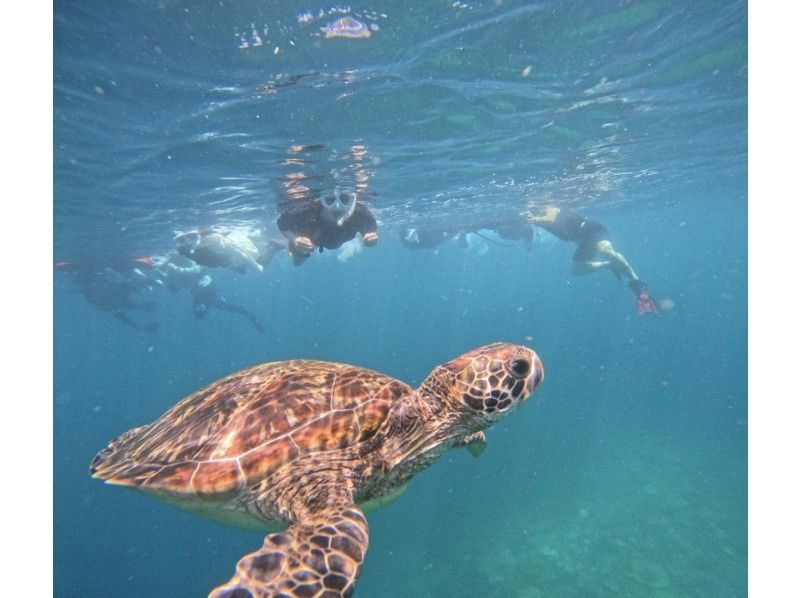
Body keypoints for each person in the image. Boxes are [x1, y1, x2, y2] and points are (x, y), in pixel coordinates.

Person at [525, 205, 658, 314]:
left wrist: (535, 218)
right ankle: (609, 265)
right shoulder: (539, 222)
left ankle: (637, 284)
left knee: (605, 249)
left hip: (593, 230)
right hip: (583, 240)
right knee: (576, 270)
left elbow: (549, 218)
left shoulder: (550, 208)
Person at [155, 254, 265, 334]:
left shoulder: (187, 258)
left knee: (222, 306)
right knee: (200, 315)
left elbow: (197, 268)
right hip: (197, 293)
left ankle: (250, 315)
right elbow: (174, 289)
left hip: (207, 288)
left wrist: (177, 269)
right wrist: (163, 276)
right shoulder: (169, 269)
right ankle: (212, 305)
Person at [277, 188, 379, 264]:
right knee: (297, 263)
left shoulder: (360, 213)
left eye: (344, 199)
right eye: (330, 199)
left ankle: (280, 244)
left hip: (331, 241)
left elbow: (371, 233)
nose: (338, 206)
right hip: (309, 238)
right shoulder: (306, 209)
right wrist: (294, 239)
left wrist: (371, 240)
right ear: (321, 202)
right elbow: (282, 224)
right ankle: (278, 244)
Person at [56, 258, 160, 332]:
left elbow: (122, 316)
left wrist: (139, 326)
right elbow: (129, 285)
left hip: (98, 293)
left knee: (84, 282)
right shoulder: (120, 295)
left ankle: (71, 270)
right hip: (99, 288)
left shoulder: (111, 302)